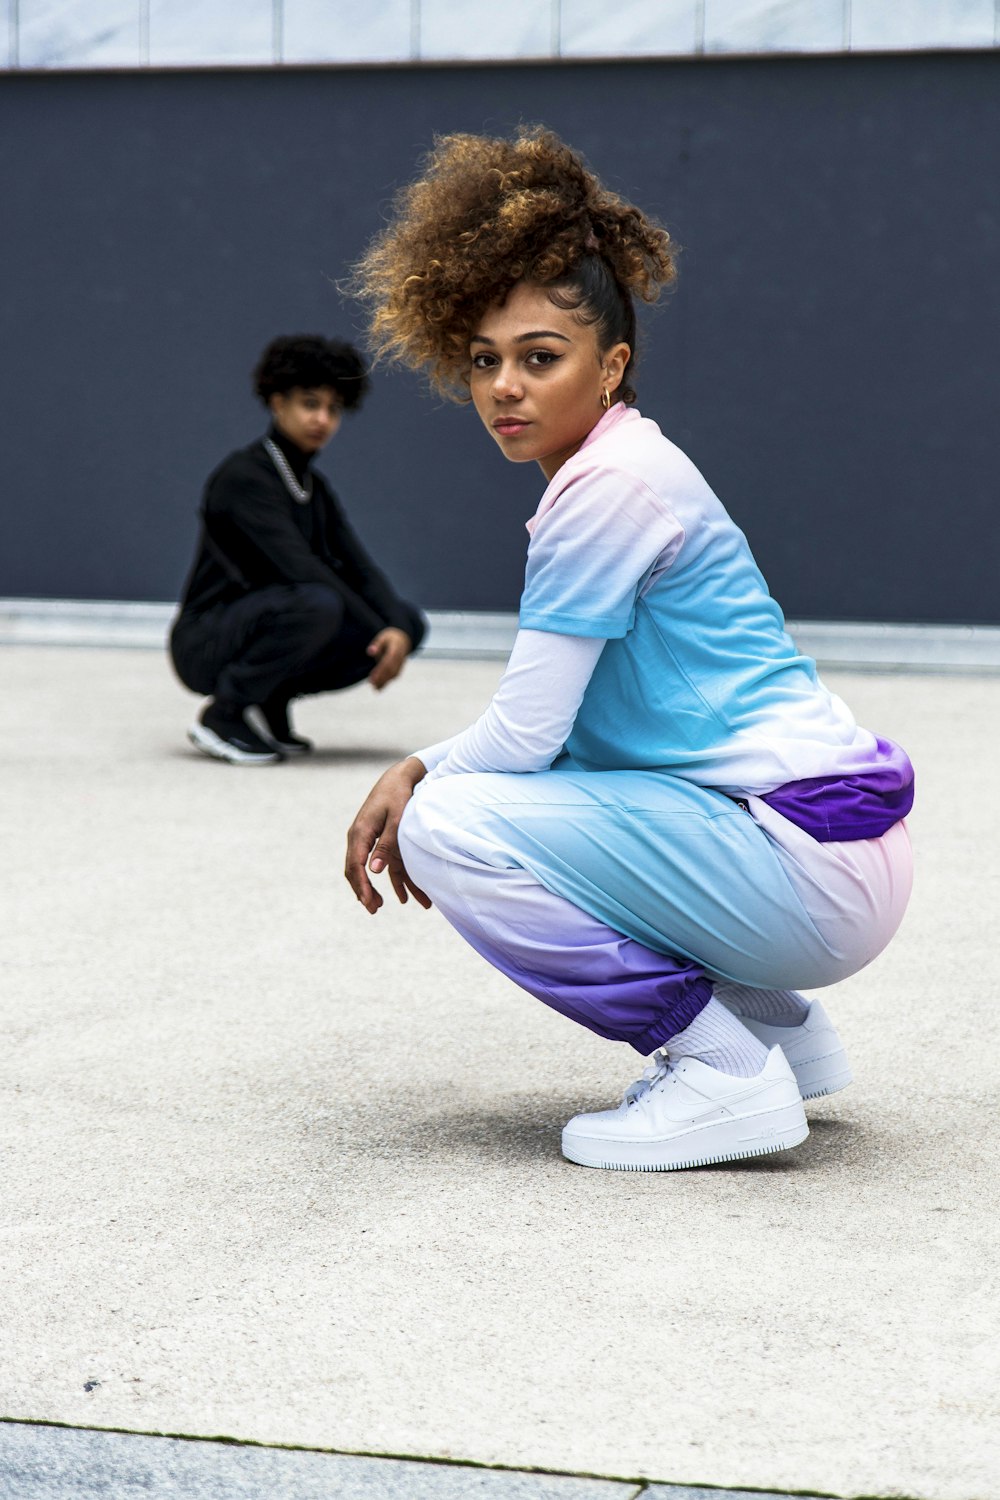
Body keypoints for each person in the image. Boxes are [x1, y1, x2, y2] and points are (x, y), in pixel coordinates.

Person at [344, 128, 914, 1172]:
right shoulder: (626, 468)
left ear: (611, 367)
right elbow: (570, 748)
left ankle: (717, 1074)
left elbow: (521, 737)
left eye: (539, 357)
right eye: (483, 360)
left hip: (800, 867)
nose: (504, 387)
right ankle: (779, 1036)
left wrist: (413, 772)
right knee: (563, 780)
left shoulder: (605, 489)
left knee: (450, 825)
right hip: (823, 855)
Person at [170, 334, 426, 764]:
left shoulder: (313, 486)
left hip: (270, 616)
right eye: (310, 404)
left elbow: (358, 564)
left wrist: (396, 629)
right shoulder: (245, 478)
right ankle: (224, 715)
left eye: (334, 409)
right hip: (207, 638)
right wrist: (375, 628)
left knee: (408, 622)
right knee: (317, 603)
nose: (322, 419)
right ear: (277, 402)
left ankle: (269, 700)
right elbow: (300, 568)